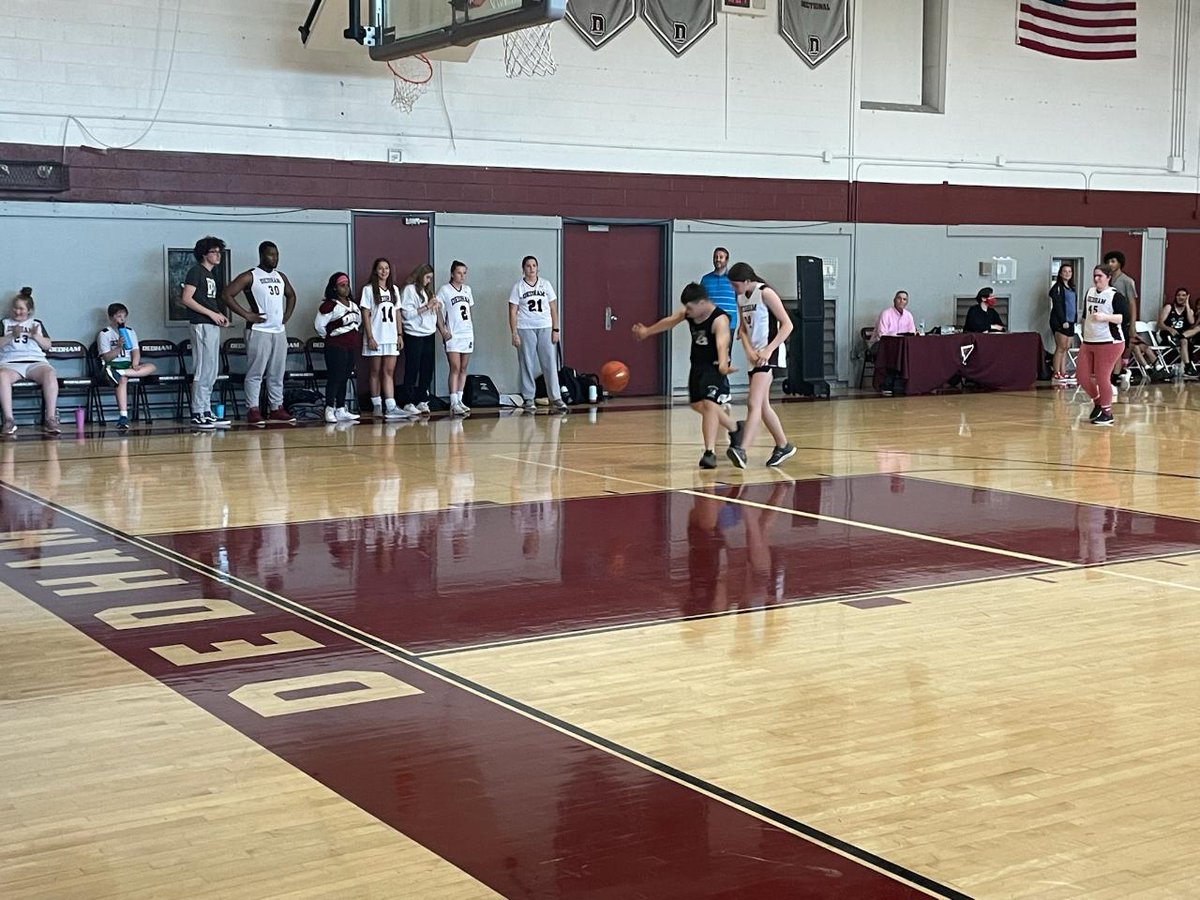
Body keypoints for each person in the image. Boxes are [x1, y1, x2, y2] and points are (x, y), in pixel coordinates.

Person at [632, 283, 742, 469]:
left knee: (709, 405)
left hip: (714, 367)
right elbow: (670, 321)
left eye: (690, 307)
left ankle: (709, 453)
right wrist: (647, 331)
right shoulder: (690, 314)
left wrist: (723, 364)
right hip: (697, 365)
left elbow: (722, 343)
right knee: (697, 404)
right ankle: (735, 428)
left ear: (702, 303)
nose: (687, 311)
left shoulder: (719, 319)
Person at [725, 262, 796, 468]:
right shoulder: (740, 298)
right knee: (763, 406)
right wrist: (748, 350)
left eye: (735, 285)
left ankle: (742, 449)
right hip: (755, 356)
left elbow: (788, 325)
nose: (733, 288)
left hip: (769, 354)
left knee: (753, 403)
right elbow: (742, 330)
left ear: (748, 281)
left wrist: (768, 350)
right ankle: (783, 445)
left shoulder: (765, 293)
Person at [222, 241, 297, 426]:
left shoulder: (281, 276)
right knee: (256, 372)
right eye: (271, 254)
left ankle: (276, 407)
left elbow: (291, 295)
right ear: (262, 255)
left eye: (277, 254)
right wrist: (247, 314)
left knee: (277, 372)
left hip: (278, 331)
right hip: (258, 330)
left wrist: (286, 315)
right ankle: (253, 409)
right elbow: (226, 295)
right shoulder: (250, 275)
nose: (275, 258)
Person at [179, 235, 230, 429]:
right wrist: (211, 314)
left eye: (219, 252)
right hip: (201, 324)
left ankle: (206, 409)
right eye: (214, 252)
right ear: (203, 254)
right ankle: (197, 411)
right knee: (202, 368)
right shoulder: (196, 272)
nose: (218, 255)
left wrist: (219, 315)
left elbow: (206, 300)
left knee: (212, 370)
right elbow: (186, 298)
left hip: (211, 324)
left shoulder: (210, 275)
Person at [509, 255, 568, 413]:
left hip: (545, 327)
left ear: (537, 268)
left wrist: (556, 329)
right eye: (528, 266)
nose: (531, 268)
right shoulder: (518, 287)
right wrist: (514, 333)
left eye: (534, 265)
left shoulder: (545, 285)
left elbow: (553, 308)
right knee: (527, 362)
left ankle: (555, 397)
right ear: (523, 269)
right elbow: (513, 311)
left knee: (549, 362)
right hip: (525, 327)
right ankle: (529, 398)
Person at [0, 287, 60, 435]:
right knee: (1, 376)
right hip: (10, 363)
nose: (17, 311)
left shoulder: (36, 323)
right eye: (15, 308)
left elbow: (47, 345)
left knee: (50, 374)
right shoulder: (4, 323)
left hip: (35, 362)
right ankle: (8, 420)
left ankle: (50, 418)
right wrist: (11, 336)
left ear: (29, 311)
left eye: (21, 309)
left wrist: (36, 336)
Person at [1077, 266, 1131, 427]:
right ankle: (1098, 402)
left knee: (1102, 377)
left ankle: (1107, 412)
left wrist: (1106, 317)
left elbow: (1125, 318)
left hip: (1110, 341)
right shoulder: (1090, 292)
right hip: (1089, 341)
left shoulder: (1115, 296)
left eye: (1100, 276)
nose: (1096, 279)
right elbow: (1085, 316)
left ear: (1108, 277)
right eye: (1095, 275)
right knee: (1082, 377)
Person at [359, 258, 407, 420]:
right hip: (376, 336)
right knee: (375, 371)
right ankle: (377, 405)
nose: (384, 271)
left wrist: (400, 334)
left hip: (391, 336)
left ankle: (391, 406)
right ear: (375, 270)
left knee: (389, 371)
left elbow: (397, 313)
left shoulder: (394, 289)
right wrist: (370, 337)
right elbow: (365, 314)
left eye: (386, 268)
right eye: (380, 268)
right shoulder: (368, 290)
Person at [97, 302, 157, 431]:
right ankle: (123, 416)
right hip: (112, 365)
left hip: (128, 365)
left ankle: (122, 372)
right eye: (119, 316)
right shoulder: (105, 333)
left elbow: (135, 350)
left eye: (124, 316)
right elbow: (106, 357)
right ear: (111, 317)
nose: (122, 319)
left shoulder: (130, 331)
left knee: (151, 366)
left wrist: (135, 362)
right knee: (122, 380)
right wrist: (119, 347)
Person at [314, 272, 362, 424]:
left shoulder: (353, 305)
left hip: (350, 346)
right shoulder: (330, 305)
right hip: (335, 346)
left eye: (347, 285)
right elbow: (319, 325)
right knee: (335, 376)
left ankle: (341, 408)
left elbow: (358, 322)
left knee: (345, 376)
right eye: (342, 285)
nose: (346, 288)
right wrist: (329, 337)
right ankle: (329, 408)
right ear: (334, 288)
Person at [399, 263, 440, 416]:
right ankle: (408, 401)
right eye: (427, 277)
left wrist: (435, 306)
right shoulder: (409, 290)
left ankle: (422, 399)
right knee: (412, 368)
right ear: (420, 275)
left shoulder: (427, 291)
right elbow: (407, 314)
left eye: (431, 278)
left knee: (427, 368)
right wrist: (427, 306)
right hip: (414, 334)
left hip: (428, 333)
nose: (429, 281)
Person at [437, 260, 474, 416]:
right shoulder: (445, 290)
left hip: (467, 333)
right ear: (452, 273)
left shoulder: (467, 290)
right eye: (459, 273)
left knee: (464, 368)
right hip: (453, 334)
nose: (462, 276)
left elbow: (469, 311)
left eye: (464, 273)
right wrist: (443, 330)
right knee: (455, 367)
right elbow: (437, 311)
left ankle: (460, 399)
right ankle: (453, 401)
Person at [1102, 250, 1143, 387]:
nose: (1110, 264)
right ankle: (1111, 373)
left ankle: (1116, 375)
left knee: (1119, 347)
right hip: (1108, 318)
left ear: (1120, 263)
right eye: (1108, 262)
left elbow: (1132, 304)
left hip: (1122, 319)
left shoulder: (1127, 281)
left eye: (1113, 261)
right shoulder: (1106, 280)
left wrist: (1132, 324)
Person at [871, 291, 916, 395]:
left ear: (907, 302)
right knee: (893, 354)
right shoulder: (886, 314)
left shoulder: (908, 315)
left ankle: (905, 384)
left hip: (901, 346)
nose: (901, 301)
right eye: (899, 298)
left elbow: (912, 333)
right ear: (894, 300)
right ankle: (887, 384)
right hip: (882, 345)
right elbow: (882, 335)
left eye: (904, 299)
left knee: (911, 353)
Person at [1158, 287, 1198, 378]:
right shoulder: (1169, 307)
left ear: (1187, 297)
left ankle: (1187, 367)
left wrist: (1187, 305)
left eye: (1183, 295)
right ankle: (1188, 367)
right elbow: (1160, 324)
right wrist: (1169, 329)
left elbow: (1192, 322)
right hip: (1167, 332)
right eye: (1178, 295)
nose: (1181, 297)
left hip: (1181, 335)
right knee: (1184, 341)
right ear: (1175, 297)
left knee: (1185, 340)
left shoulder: (1189, 310)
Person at [1048, 262, 1077, 385]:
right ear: (1060, 273)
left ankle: (1063, 372)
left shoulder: (1071, 288)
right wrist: (1063, 320)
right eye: (1065, 271)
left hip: (1071, 321)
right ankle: (1056, 372)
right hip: (1060, 322)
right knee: (1060, 347)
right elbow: (1058, 306)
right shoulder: (1057, 288)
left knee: (1066, 348)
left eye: (1069, 271)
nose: (1067, 274)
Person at [700, 247, 738, 334]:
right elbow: (701, 301)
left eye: (721, 257)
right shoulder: (705, 279)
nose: (718, 259)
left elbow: (740, 302)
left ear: (727, 260)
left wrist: (742, 325)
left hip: (729, 324)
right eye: (715, 257)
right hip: (709, 323)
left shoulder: (734, 279)